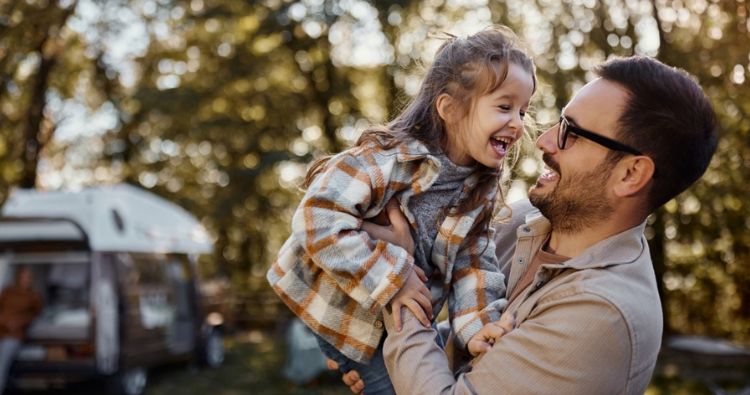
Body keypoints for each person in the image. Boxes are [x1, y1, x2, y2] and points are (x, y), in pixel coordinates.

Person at [335, 55, 719, 394]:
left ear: (631, 174)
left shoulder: (601, 315)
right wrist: (382, 357)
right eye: (558, 122)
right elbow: (485, 356)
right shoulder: (520, 222)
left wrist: (399, 277)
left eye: (571, 132)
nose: (544, 141)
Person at [267, 26, 537, 394]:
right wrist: (396, 278)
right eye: (505, 107)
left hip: (394, 321)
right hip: (345, 310)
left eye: (523, 110)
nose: (518, 123)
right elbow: (318, 219)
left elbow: (472, 264)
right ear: (450, 109)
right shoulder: (388, 159)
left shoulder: (480, 190)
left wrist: (477, 326)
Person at [0, 266, 43, 394]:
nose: (26, 280)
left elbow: (34, 316)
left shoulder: (34, 296)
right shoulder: (8, 292)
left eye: (29, 278)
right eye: (24, 277)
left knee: (2, 363)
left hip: (14, 334)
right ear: (18, 278)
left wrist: (19, 322)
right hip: (1, 329)